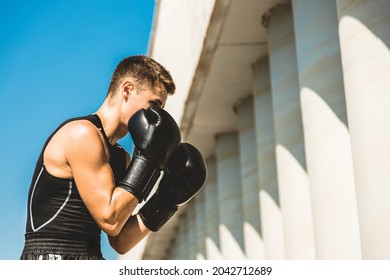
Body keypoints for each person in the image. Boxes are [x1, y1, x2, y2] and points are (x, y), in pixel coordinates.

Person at [20, 55, 207, 260]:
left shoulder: (121, 158)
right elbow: (110, 219)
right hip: (52, 258)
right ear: (127, 90)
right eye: (154, 104)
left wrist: (165, 201)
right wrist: (149, 161)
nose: (157, 114)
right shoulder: (82, 134)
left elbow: (120, 240)